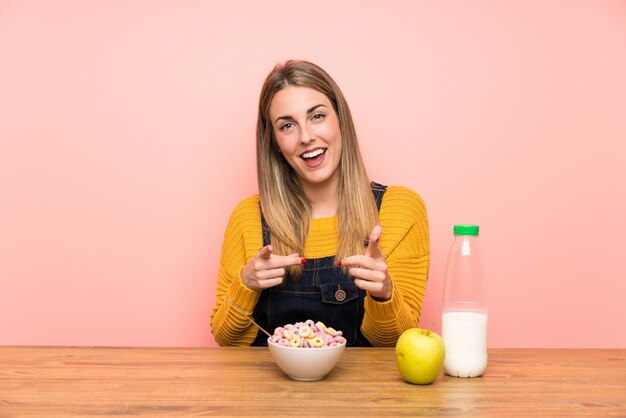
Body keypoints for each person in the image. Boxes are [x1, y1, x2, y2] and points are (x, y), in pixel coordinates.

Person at [211, 60, 429, 347]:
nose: (306, 137)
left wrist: (383, 294)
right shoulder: (248, 217)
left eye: (317, 116)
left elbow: (394, 345)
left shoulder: (401, 209)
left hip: (362, 392)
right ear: (274, 141)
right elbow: (227, 341)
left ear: (340, 118)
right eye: (287, 125)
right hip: (268, 392)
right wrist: (246, 284)